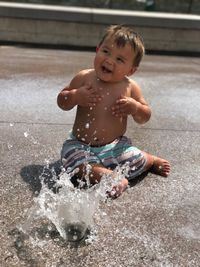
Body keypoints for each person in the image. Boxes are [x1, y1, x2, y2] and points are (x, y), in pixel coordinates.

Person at [57, 25, 170, 198]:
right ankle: (110, 177)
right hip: (80, 144)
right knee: (73, 161)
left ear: (131, 70)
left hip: (115, 147)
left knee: (135, 158)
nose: (109, 60)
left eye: (119, 59)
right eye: (106, 52)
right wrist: (75, 96)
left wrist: (135, 108)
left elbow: (145, 116)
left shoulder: (130, 87)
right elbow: (62, 101)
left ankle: (149, 160)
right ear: (97, 50)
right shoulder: (84, 77)